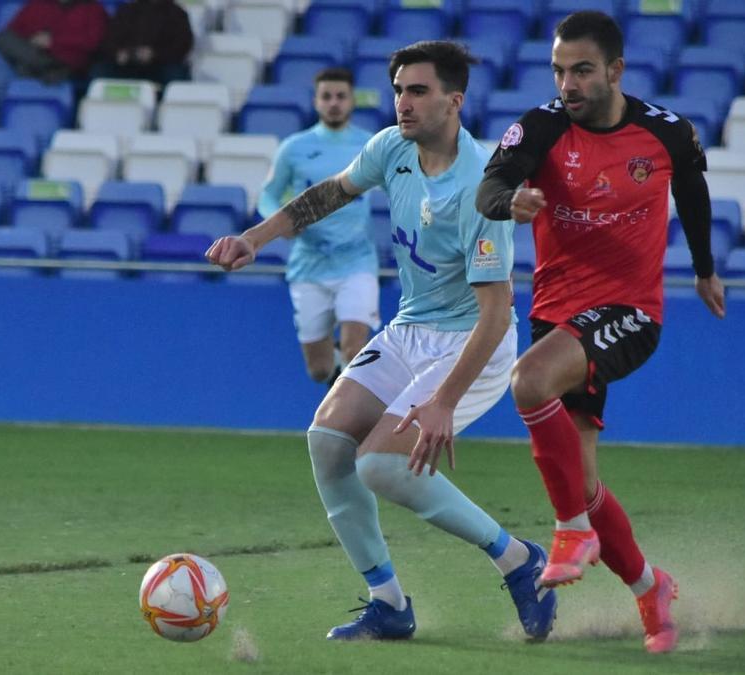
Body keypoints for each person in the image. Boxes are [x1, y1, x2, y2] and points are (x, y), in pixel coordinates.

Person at [206, 40, 557, 642]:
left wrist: (444, 400)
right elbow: (329, 194)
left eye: (417, 91)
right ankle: (388, 603)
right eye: (398, 90)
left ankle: (519, 561)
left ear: (455, 100)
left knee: (381, 465)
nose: (403, 102)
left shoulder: (482, 185)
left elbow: (497, 315)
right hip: (408, 329)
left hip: (471, 343)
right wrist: (256, 237)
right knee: (327, 442)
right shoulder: (391, 147)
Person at [476, 10, 725, 654]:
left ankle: (569, 530)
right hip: (556, 311)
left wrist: (704, 270)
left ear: (615, 70)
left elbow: (692, 191)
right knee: (584, 480)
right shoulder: (541, 127)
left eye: (582, 70)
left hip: (631, 311)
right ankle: (650, 589)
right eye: (559, 70)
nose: (568, 83)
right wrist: (513, 202)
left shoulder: (666, 134)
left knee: (528, 380)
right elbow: (491, 185)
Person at [256, 68, 379, 386]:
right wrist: (281, 224)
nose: (334, 103)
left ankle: (352, 418)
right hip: (309, 265)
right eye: (327, 96)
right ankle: (335, 367)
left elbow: (400, 188)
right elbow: (267, 196)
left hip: (357, 260)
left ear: (352, 101)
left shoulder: (370, 145)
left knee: (355, 350)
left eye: (341, 96)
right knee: (320, 370)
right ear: (316, 101)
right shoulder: (294, 147)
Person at [0, 0, 108, 84]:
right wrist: (34, 39)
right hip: (36, 53)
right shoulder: (37, 4)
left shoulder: (93, 9)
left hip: (68, 60)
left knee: (24, 68)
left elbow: (93, 42)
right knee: (3, 38)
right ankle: (45, 68)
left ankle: (36, 68)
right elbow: (14, 31)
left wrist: (53, 42)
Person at [88, 0, 194, 89]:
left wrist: (154, 54)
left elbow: (182, 46)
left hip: (160, 66)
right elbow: (108, 40)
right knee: (100, 70)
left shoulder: (177, 13)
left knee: (175, 75)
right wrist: (117, 53)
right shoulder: (127, 11)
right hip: (126, 65)